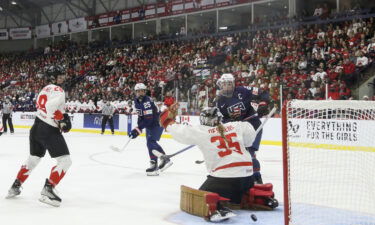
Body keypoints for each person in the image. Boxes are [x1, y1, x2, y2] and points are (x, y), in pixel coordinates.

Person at [159, 106, 277, 222]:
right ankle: (261, 198)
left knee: (201, 197)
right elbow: (249, 140)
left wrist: (168, 120)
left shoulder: (200, 130)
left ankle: (216, 209)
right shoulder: (237, 125)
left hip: (224, 180)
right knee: (237, 192)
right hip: (248, 177)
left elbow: (179, 131)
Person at [5, 75, 72, 207]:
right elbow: (50, 107)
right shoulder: (59, 90)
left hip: (36, 127)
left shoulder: (45, 88)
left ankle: (15, 186)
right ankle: (48, 189)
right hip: (48, 129)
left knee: (33, 158)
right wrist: (62, 121)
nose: (63, 78)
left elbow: (43, 106)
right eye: (61, 76)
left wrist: (62, 117)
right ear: (56, 78)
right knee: (65, 160)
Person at [216, 73, 269, 184]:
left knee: (250, 154)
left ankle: (257, 179)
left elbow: (262, 92)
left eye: (229, 84)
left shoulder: (243, 90)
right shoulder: (220, 102)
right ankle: (244, 179)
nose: (227, 87)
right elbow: (224, 120)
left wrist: (263, 104)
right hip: (239, 130)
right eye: (224, 84)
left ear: (233, 84)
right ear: (220, 85)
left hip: (253, 125)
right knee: (240, 156)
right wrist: (228, 123)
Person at [128, 83, 172, 176]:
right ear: (135, 92)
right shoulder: (136, 101)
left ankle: (158, 162)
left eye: (142, 91)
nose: (140, 93)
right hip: (151, 124)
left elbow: (149, 119)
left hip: (157, 122)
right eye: (138, 91)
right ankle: (161, 161)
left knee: (150, 142)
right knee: (150, 143)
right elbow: (141, 116)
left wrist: (138, 129)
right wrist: (137, 128)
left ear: (145, 91)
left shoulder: (147, 101)